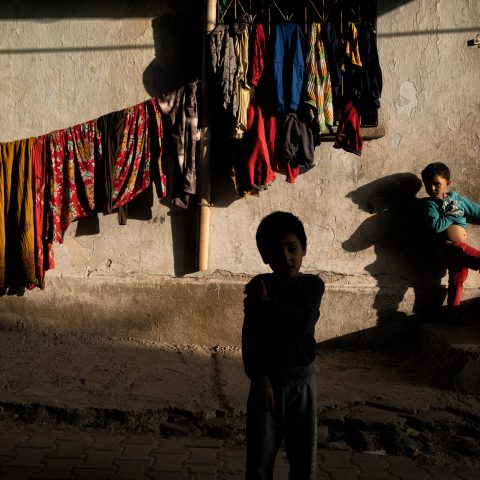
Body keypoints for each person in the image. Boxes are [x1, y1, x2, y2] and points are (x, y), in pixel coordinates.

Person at [242, 211, 325, 480]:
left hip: (302, 385)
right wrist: (262, 380)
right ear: (266, 257)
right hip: (267, 386)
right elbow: (251, 337)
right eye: (276, 251)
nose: (286, 257)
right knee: (259, 461)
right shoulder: (259, 285)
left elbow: (302, 324)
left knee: (303, 462)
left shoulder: (312, 286)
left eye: (292, 248)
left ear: (304, 249)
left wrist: (266, 306)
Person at [421, 162, 480, 323]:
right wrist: (450, 215)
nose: (432, 188)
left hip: (457, 251)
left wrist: (455, 209)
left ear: (448, 183)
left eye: (436, 184)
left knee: (458, 277)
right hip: (447, 248)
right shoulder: (430, 205)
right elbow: (435, 226)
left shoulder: (457, 200)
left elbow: (476, 211)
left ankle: (453, 312)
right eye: (427, 184)